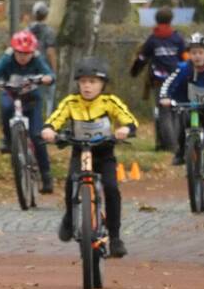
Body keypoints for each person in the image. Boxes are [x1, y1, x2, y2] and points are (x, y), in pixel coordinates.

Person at [42, 56, 138, 258]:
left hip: (104, 152)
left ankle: (115, 237)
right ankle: (69, 218)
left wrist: (125, 129)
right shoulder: (71, 102)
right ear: (78, 83)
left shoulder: (109, 102)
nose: (87, 86)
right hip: (80, 150)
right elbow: (55, 118)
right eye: (83, 81)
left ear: (102, 84)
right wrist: (50, 130)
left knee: (111, 188)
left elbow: (128, 119)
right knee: (71, 182)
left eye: (93, 82)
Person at [0, 30, 56, 194]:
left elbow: (49, 74)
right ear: (14, 51)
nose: (23, 57)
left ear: (32, 52)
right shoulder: (7, 60)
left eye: (27, 54)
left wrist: (47, 78)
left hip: (31, 100)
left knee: (37, 136)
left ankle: (46, 175)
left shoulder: (37, 60)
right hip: (12, 96)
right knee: (6, 108)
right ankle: (8, 139)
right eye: (19, 53)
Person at [158, 32, 204, 198]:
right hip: (188, 107)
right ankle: (184, 156)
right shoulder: (183, 69)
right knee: (183, 129)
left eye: (200, 53)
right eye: (193, 53)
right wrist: (165, 97)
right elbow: (168, 84)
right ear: (189, 54)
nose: (197, 56)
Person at [130, 6, 188, 150]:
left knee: (164, 113)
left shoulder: (153, 39)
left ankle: (170, 145)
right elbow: (185, 58)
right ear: (170, 20)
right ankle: (174, 143)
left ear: (156, 20)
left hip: (160, 80)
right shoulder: (177, 38)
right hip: (177, 80)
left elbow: (142, 57)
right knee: (176, 111)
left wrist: (134, 71)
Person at [27, 0, 59, 116]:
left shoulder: (27, 31)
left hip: (31, 68)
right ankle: (49, 123)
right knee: (50, 98)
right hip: (45, 69)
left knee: (34, 97)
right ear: (46, 15)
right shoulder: (49, 31)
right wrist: (54, 70)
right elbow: (50, 51)